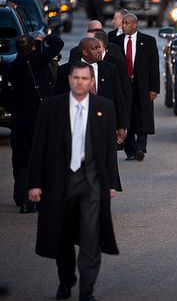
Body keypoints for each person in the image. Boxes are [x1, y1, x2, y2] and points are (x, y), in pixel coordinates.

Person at [28, 61, 121, 301]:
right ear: (69, 79)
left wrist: (111, 183)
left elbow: (109, 150)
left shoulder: (104, 107)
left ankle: (87, 290)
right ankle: (66, 280)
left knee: (91, 237)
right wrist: (35, 183)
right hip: (61, 182)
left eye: (84, 78)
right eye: (76, 78)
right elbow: (39, 146)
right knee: (63, 236)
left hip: (91, 182)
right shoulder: (51, 107)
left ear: (91, 82)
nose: (80, 82)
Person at [7, 34, 64, 213]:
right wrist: (44, 38)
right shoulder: (38, 60)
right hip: (39, 118)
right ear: (32, 47)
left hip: (18, 119)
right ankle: (36, 196)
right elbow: (58, 44)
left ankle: (22, 197)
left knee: (20, 159)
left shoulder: (12, 67)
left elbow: (5, 95)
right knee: (39, 157)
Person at [56, 38, 128, 144]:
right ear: (85, 52)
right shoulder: (66, 70)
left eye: (99, 47)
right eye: (94, 48)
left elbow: (119, 98)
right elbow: (59, 99)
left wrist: (122, 125)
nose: (99, 51)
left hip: (103, 124)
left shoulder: (111, 69)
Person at [115, 13, 160, 161]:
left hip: (142, 86)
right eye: (123, 23)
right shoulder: (116, 41)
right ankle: (130, 150)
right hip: (123, 87)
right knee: (127, 116)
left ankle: (141, 147)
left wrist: (154, 88)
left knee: (142, 116)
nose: (123, 26)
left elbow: (154, 66)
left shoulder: (148, 41)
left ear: (135, 25)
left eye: (127, 23)